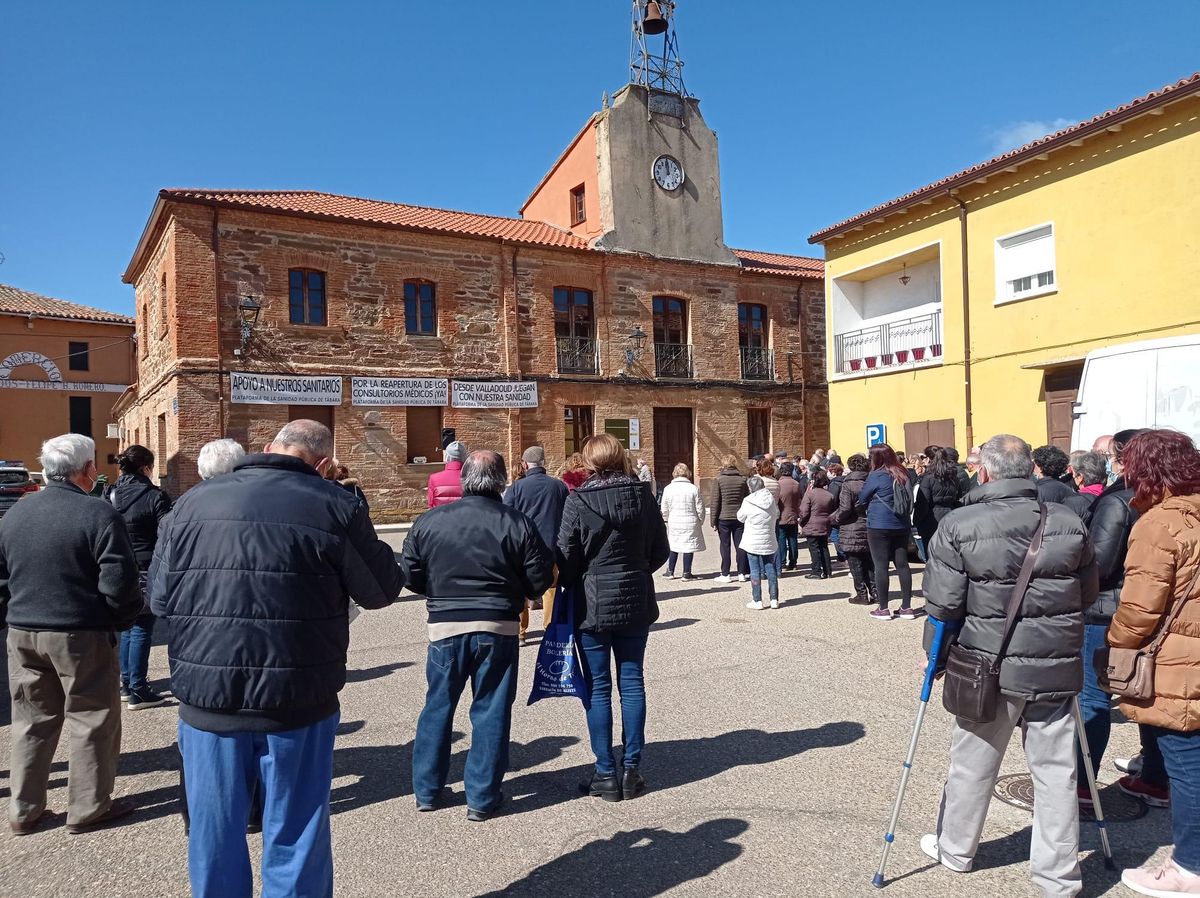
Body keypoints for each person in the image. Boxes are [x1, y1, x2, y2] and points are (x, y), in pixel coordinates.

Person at [150, 420, 402, 897]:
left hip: (209, 701)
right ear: (323, 463)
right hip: (297, 699)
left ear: (266, 449)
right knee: (296, 831)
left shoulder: (190, 504)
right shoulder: (336, 505)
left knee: (214, 833)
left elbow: (160, 600)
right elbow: (382, 589)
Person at [921, 433, 1098, 898]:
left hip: (987, 666)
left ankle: (956, 849)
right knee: (1057, 772)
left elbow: (943, 608)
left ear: (985, 471)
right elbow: (1087, 594)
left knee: (972, 763)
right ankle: (1057, 878)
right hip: (1053, 666)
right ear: (1031, 471)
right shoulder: (1068, 521)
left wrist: (935, 663)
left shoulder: (959, 525)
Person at [1, 434, 141, 836]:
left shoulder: (15, 515)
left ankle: (24, 810)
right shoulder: (97, 514)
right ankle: (88, 807)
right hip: (80, 633)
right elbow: (120, 583)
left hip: (24, 630)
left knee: (31, 720)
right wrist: (120, 620)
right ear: (87, 470)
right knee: (91, 718)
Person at [403, 449, 551, 819]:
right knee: (491, 710)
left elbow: (411, 574)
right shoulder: (517, 523)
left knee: (437, 706)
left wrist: (439, 592)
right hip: (497, 625)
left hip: (446, 626)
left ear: (465, 480)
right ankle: (482, 797)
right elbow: (539, 581)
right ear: (501, 482)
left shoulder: (429, 521)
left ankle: (427, 790)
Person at [1105, 429, 1200, 897]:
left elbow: (1140, 609)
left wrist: (1116, 641)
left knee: (1186, 765)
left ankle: (1189, 867)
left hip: (1179, 664)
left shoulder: (1160, 523)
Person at [557, 434, 668, 802]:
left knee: (599, 688)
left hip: (593, 602)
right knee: (633, 682)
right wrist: (637, 570)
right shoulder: (643, 496)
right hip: (635, 598)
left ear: (588, 463)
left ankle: (606, 772)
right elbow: (660, 551)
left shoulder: (578, 500)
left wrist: (581, 578)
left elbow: (566, 556)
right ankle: (632, 769)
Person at [1082, 430, 1167, 808]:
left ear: (1123, 459)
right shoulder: (1167, 498)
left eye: (1111, 455)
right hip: (1150, 607)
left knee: (1093, 696)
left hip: (1106, 610)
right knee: (1146, 693)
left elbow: (1099, 565)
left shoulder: (1119, 502)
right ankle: (1154, 776)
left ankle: (1083, 785)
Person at [108, 444, 173, 710]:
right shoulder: (156, 497)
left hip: (118, 568)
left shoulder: (109, 493)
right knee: (142, 628)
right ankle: (137, 689)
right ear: (147, 468)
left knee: (127, 627)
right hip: (146, 568)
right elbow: (167, 534)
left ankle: (125, 683)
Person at [503, 446, 569, 644]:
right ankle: (550, 627)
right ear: (544, 462)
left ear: (524, 464)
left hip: (523, 547)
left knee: (521, 589)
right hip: (552, 544)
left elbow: (507, 518)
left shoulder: (516, 488)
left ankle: (521, 632)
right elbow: (568, 515)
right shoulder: (559, 486)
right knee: (551, 587)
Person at [858, 444, 917, 621]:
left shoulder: (876, 476)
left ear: (876, 458)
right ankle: (907, 607)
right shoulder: (902, 473)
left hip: (879, 524)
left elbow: (862, 498)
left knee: (881, 565)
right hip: (901, 523)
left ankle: (883, 608)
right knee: (902, 564)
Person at [833, 453, 876, 606]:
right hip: (870, 523)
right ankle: (875, 591)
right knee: (869, 561)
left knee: (855, 562)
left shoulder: (848, 483)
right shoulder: (872, 480)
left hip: (852, 524)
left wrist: (835, 519)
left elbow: (845, 508)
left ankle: (861, 594)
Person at [738, 475, 780, 610]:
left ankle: (757, 600)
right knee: (770, 568)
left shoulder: (748, 500)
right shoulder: (771, 499)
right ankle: (774, 599)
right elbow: (776, 514)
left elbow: (740, 516)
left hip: (753, 539)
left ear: (751, 488)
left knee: (754, 569)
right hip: (769, 538)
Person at [660, 463, 705, 581]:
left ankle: (670, 571)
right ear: (687, 473)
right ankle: (686, 572)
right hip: (691, 520)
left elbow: (664, 508)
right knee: (688, 546)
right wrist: (700, 520)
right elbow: (700, 507)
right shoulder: (693, 488)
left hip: (674, 520)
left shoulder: (668, 489)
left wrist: (666, 518)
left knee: (673, 545)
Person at [913, 447, 962, 552]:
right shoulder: (954, 476)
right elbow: (958, 497)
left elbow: (922, 503)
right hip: (951, 516)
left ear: (929, 459)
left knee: (931, 553)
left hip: (931, 519)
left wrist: (916, 521)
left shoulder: (928, 478)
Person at [711, 455, 750, 583]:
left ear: (723, 464)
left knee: (725, 546)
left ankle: (726, 573)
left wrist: (713, 520)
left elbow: (715, 501)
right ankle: (741, 573)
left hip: (724, 517)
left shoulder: (719, 480)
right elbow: (746, 499)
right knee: (740, 545)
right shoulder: (743, 479)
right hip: (739, 517)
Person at [798, 469, 836, 580]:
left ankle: (816, 571)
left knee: (814, 548)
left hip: (812, 524)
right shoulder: (829, 495)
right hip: (824, 523)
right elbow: (832, 510)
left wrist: (801, 521)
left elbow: (804, 511)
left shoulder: (810, 494)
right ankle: (828, 571)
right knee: (824, 547)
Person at [1063, 451, 1106, 520]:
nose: (1073, 476)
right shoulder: (1112, 495)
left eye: (1073, 473)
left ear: (1080, 477)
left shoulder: (1072, 503)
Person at [776, 461, 802, 572]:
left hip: (781, 516)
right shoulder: (796, 484)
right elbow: (800, 500)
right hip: (793, 515)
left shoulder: (778, 484)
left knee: (781, 540)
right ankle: (793, 562)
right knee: (793, 539)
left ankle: (782, 562)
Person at [428, 440, 467, 507]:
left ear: (447, 456)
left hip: (440, 516)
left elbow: (431, 504)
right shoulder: (471, 478)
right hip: (465, 516)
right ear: (465, 457)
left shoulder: (434, 478)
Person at [826, 463, 847, 563]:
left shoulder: (834, 484)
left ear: (833, 472)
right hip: (843, 512)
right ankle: (842, 557)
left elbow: (831, 499)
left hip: (835, 514)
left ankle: (843, 557)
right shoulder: (845, 481)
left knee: (835, 536)